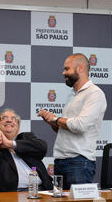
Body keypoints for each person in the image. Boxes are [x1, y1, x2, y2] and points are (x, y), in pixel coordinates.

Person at [38, 53, 107, 189]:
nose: (63, 73)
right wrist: (51, 121)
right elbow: (63, 128)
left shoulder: (95, 94)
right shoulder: (72, 95)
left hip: (79, 163)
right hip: (61, 161)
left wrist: (55, 118)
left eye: (67, 69)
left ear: (80, 69)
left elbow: (80, 126)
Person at [0, 109, 53, 192]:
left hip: (42, 190)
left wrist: (9, 143)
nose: (9, 120)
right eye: (3, 118)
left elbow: (42, 148)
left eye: (14, 119)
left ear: (18, 129)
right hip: (13, 194)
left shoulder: (26, 138)